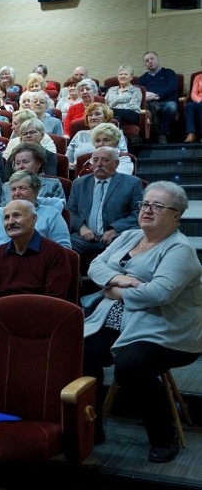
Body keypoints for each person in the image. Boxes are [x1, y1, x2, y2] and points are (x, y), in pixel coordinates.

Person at [82, 181, 202, 463]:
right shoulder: (127, 237)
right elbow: (95, 266)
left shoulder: (179, 250)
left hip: (165, 328)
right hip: (116, 320)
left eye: (158, 206)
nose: (148, 210)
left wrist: (113, 291)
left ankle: (164, 436)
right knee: (81, 353)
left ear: (176, 215)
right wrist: (121, 280)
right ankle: (90, 427)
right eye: (146, 204)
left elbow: (158, 293)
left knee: (131, 367)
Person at [0, 200, 70, 319]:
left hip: (39, 323)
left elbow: (54, 301)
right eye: (6, 218)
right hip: (1, 321)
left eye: (16, 215)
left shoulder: (55, 253)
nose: (10, 222)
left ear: (33, 219)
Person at [68, 147, 143, 256]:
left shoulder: (132, 183)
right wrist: (82, 228)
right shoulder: (79, 184)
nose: (99, 164)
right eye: (95, 160)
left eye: (105, 160)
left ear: (116, 163)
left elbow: (138, 213)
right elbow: (71, 211)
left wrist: (115, 230)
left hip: (117, 236)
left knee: (136, 242)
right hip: (84, 237)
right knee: (61, 245)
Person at [0, 171, 70, 253]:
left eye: (22, 188)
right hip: (4, 260)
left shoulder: (51, 213)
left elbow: (64, 247)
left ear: (36, 192)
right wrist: (15, 249)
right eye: (13, 189)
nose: (17, 193)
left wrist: (30, 253)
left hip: (40, 263)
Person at [66, 103, 129, 168]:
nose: (93, 117)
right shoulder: (80, 135)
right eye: (90, 115)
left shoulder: (115, 132)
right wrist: (70, 165)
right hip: (81, 172)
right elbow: (68, 159)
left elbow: (123, 155)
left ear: (106, 117)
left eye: (97, 114)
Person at [2, 143, 66, 205]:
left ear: (38, 164)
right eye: (17, 163)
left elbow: (59, 209)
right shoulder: (6, 186)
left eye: (25, 162)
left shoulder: (53, 185)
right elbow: (2, 211)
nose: (21, 166)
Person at [138, 52, 179, 144]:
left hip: (167, 101)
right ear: (145, 64)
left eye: (152, 59)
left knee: (171, 107)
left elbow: (172, 87)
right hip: (151, 103)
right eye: (147, 61)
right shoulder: (142, 78)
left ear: (157, 60)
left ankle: (163, 134)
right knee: (144, 110)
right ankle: (150, 137)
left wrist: (157, 95)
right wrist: (147, 94)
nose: (150, 62)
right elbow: (140, 92)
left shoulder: (168, 72)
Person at [184, 70, 202, 143]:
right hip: (199, 100)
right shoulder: (198, 77)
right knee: (189, 106)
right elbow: (193, 94)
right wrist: (199, 100)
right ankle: (191, 134)